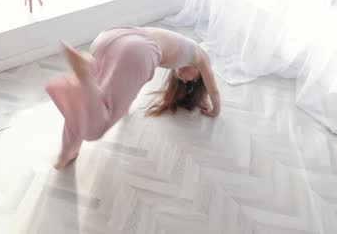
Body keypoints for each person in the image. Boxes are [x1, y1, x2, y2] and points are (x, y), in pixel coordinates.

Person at [46, 27, 221, 169]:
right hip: (135, 49)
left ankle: (67, 152)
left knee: (85, 103)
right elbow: (214, 91)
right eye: (190, 81)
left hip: (111, 37)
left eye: (184, 82)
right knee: (96, 128)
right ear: (200, 78)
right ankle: (84, 75)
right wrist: (215, 110)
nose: (183, 79)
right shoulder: (202, 58)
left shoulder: (181, 43)